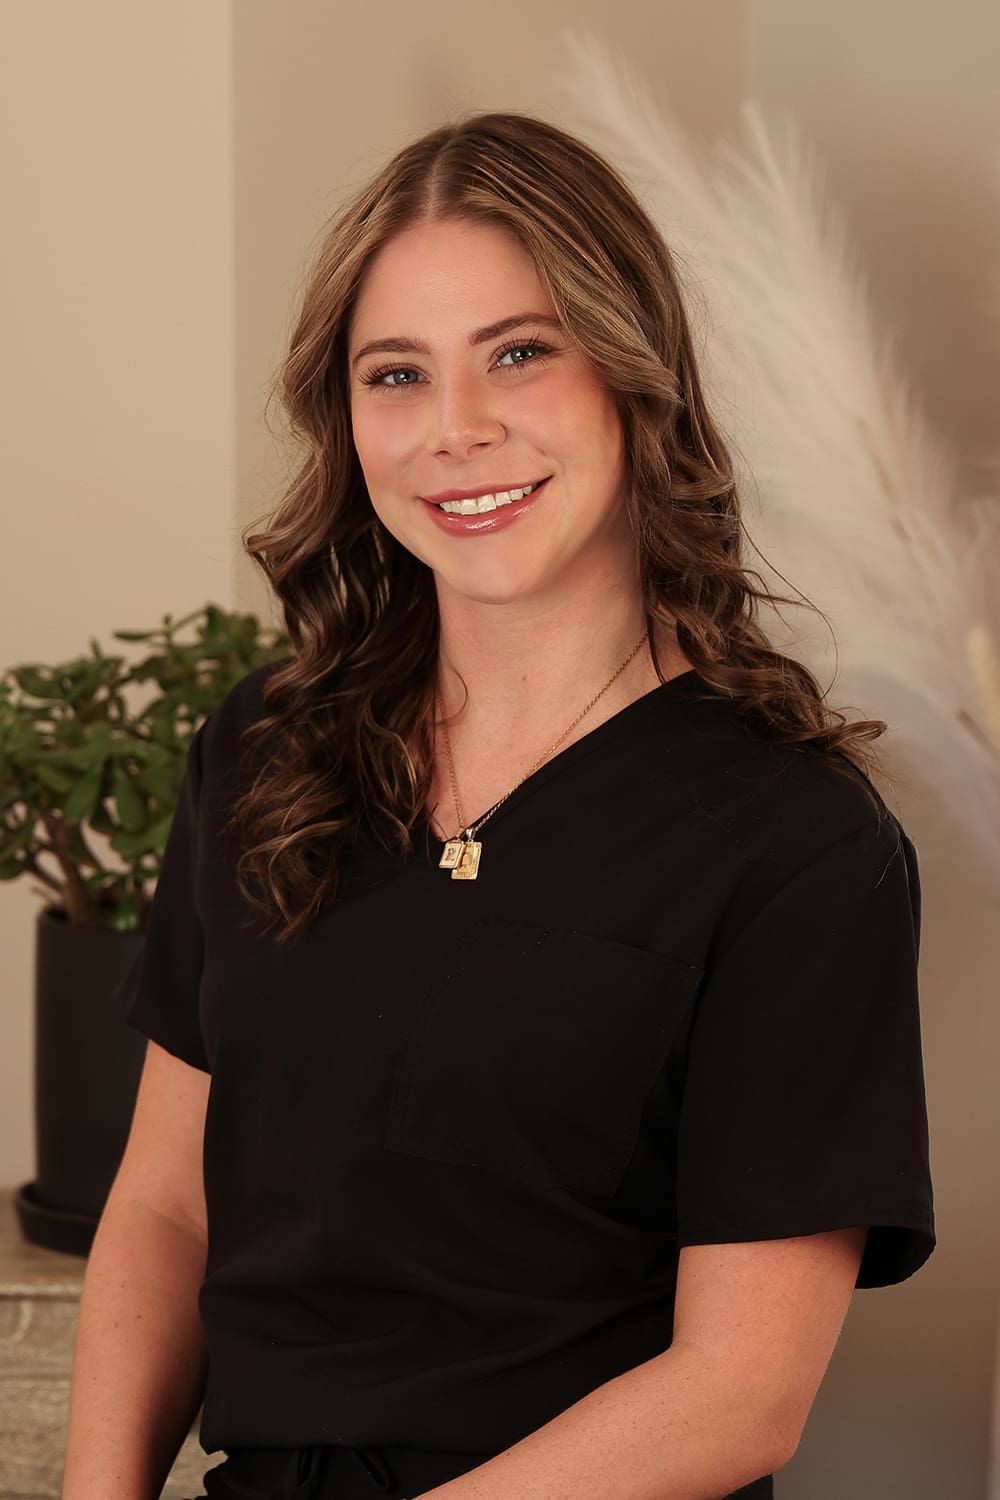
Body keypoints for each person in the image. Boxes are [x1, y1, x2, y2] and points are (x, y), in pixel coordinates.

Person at [60, 111, 935, 1500]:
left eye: (521, 352)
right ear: (346, 423)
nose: (457, 431)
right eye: (395, 374)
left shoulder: (796, 840)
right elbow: (168, 1207)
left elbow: (740, 1394)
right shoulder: (266, 749)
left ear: (632, 379)